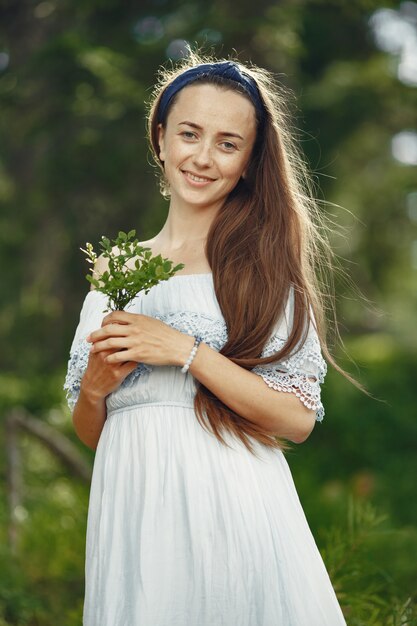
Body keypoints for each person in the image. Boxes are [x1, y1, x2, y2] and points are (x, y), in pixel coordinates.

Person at [64, 52, 349, 625]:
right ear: (161, 138)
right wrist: (95, 389)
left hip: (231, 505)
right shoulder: (115, 272)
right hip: (133, 511)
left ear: (248, 161)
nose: (202, 157)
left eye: (227, 143)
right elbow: (94, 431)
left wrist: (185, 353)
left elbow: (295, 418)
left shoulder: (261, 268)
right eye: (190, 134)